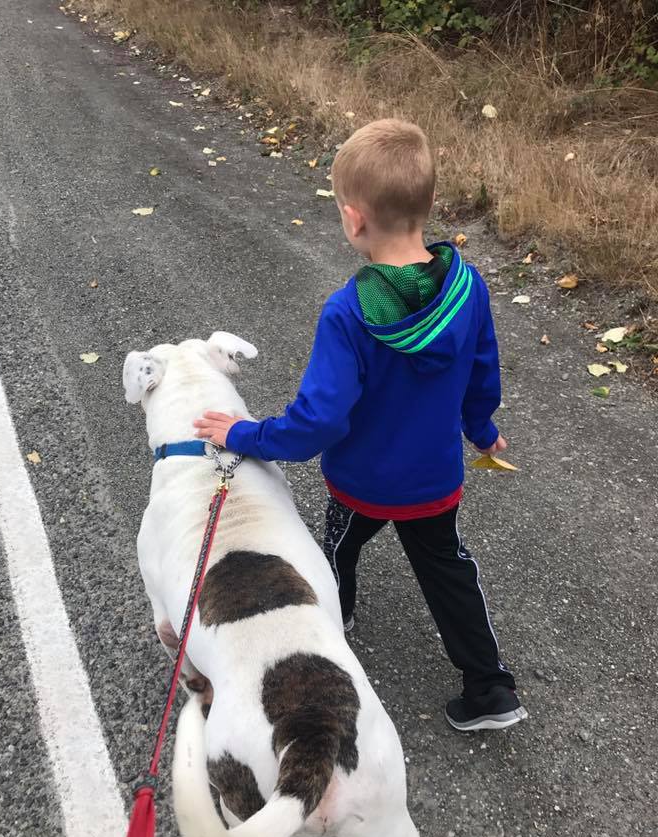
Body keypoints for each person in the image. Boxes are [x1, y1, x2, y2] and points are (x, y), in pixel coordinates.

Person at [195, 118, 526, 732]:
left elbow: (318, 422)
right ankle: (490, 690)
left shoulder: (348, 314)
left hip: (361, 487)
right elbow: (483, 370)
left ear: (353, 219)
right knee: (449, 571)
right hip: (434, 485)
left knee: (335, 556)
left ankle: (331, 631)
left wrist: (242, 434)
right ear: (428, 205)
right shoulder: (468, 287)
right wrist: (481, 429)